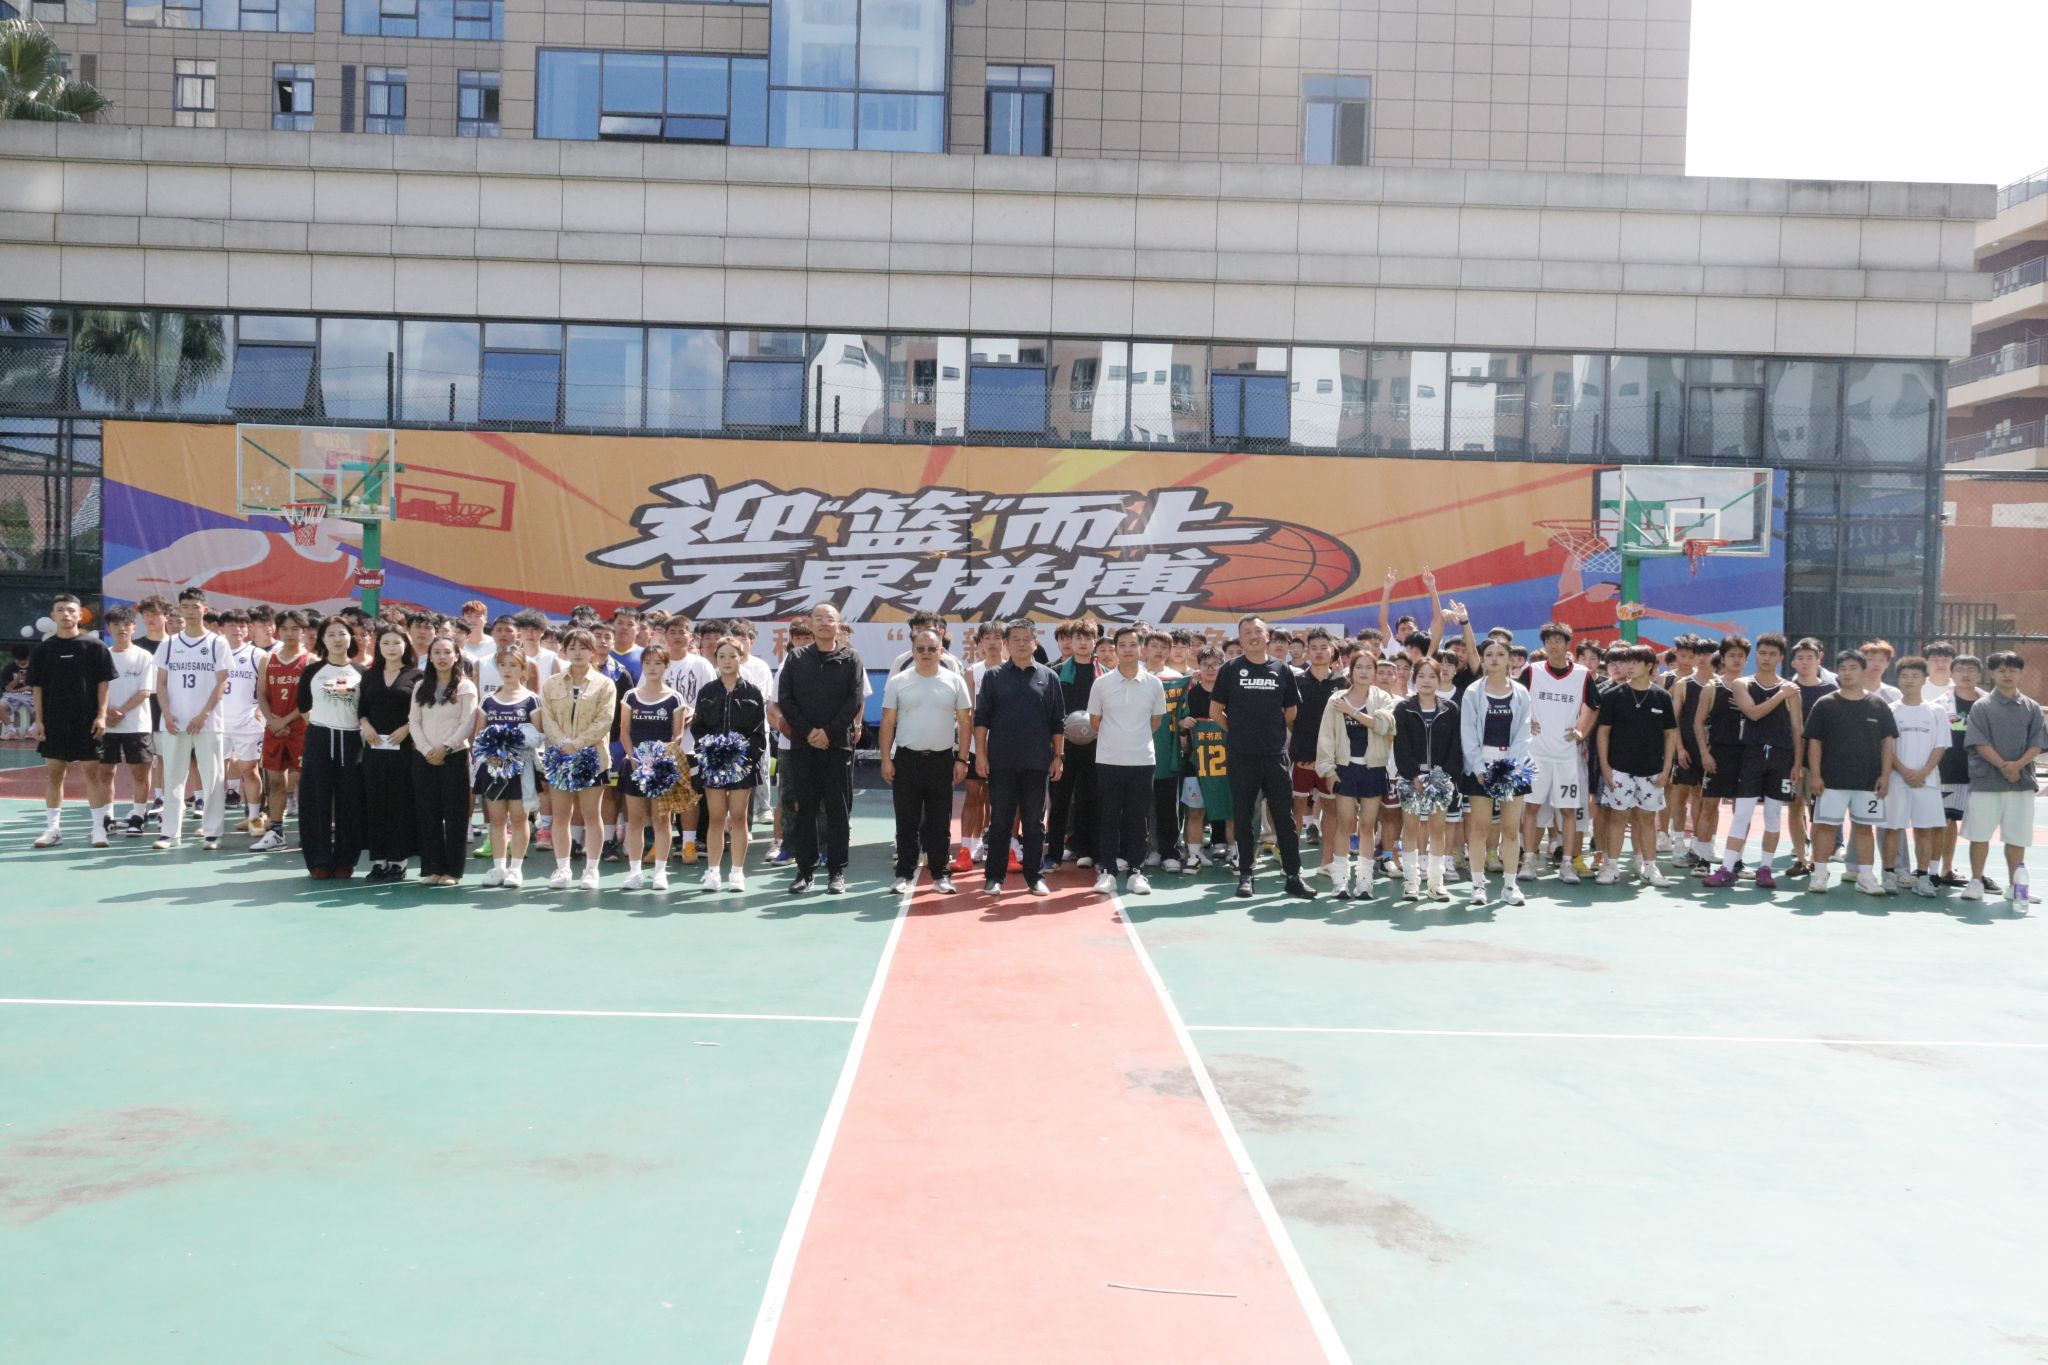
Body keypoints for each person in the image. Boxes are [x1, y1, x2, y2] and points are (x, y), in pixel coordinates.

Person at [1212, 614, 1313, 901]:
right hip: (1241, 756)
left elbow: (1291, 711)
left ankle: (1293, 876)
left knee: (1284, 818)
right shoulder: (1230, 669)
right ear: (1240, 639)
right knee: (1244, 818)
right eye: (1247, 632)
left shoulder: (1282, 669)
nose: (1253, 636)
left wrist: (1272, 732)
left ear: (1267, 636)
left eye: (1258, 631)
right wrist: (1238, 732)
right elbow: (1215, 711)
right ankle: (1246, 875)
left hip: (1275, 756)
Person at [974, 617, 1067, 897]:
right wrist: (981, 755)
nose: (1022, 644)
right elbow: (981, 720)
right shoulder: (993, 676)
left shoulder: (1049, 677)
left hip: (1037, 762)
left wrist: (1058, 756)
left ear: (1035, 643)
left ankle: (1035, 877)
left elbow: (1057, 722)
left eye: (1027, 639)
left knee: (1034, 824)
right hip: (1001, 761)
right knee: (1000, 822)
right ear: (1007, 644)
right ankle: (994, 877)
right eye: (1016, 639)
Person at [776, 602, 865, 895]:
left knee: (838, 810)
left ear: (838, 625)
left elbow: (853, 700)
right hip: (803, 747)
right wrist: (809, 732)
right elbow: (786, 700)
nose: (825, 623)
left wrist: (828, 732)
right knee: (805, 810)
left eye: (830, 619)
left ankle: (837, 871)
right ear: (811, 624)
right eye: (819, 618)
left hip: (837, 747)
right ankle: (805, 871)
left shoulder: (851, 658)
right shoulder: (796, 658)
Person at [1703, 633, 1803, 891]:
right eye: (1762, 653)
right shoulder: (1743, 684)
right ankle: (1727, 869)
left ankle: (1765, 869)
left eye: (1772, 654)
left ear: (1781, 658)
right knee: (1742, 815)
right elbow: (1753, 713)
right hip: (1751, 757)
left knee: (1773, 816)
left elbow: (1797, 728)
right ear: (1756, 655)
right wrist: (1780, 695)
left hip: (1781, 758)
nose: (1767, 658)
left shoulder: (1792, 691)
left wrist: (1797, 763)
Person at [880, 625, 974, 896]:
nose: (926, 653)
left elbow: (965, 722)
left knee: (939, 822)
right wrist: (885, 759)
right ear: (913, 651)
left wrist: (962, 759)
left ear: (941, 651)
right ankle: (904, 874)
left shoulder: (954, 680)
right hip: (907, 759)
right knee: (906, 821)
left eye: (932, 648)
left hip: (942, 760)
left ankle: (940, 874)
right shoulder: (898, 681)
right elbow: (887, 722)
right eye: (920, 649)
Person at [24, 592, 116, 848]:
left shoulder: (95, 647)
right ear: (52, 615)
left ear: (80, 615)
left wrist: (101, 715)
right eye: (61, 610)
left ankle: (98, 829)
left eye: (71, 610)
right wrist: (39, 720)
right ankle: (53, 830)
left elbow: (103, 684)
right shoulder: (43, 650)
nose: (66, 614)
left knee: (92, 773)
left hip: (87, 722)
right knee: (54, 775)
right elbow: (37, 687)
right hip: (54, 722)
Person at [1803, 649, 1897, 896]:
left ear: (1863, 671)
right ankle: (1819, 874)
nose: (1847, 673)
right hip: (1831, 781)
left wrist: (1885, 775)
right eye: (1843, 668)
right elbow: (1814, 741)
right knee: (1825, 827)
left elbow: (1887, 742)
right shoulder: (1825, 704)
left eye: (1853, 668)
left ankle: (1865, 877)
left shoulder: (1878, 704)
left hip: (1868, 782)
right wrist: (1816, 775)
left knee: (1864, 829)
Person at [1087, 625, 1169, 897]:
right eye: (1121, 645)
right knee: (1108, 817)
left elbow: (1155, 722)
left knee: (1138, 819)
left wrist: (1134, 739)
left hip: (1142, 760)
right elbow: (1095, 722)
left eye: (1133, 645)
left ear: (1141, 649)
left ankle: (1136, 872)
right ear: (1115, 649)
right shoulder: (1101, 684)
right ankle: (1108, 872)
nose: (1127, 650)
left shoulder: (1154, 684)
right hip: (1108, 760)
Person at [1961, 650, 2044, 909]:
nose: (2007, 675)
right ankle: (1975, 882)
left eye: (2013, 670)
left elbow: (2037, 743)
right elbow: (1979, 742)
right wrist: (2004, 766)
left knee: (2017, 837)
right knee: (1979, 834)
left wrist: (2017, 766)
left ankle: (2015, 887)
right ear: (1993, 674)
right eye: (2001, 670)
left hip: (2021, 783)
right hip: (1986, 782)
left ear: (2020, 673)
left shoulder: (2031, 707)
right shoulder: (1982, 706)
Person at [1518, 622, 1597, 885]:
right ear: (1544, 645)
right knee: (1531, 807)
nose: (1553, 646)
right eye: (1549, 641)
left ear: (1567, 644)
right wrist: (1526, 722)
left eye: (1558, 641)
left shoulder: (1582, 675)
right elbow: (1517, 701)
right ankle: (1529, 860)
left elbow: (1593, 706)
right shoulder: (1532, 671)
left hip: (1566, 756)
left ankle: (1567, 864)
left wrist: (1581, 731)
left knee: (1568, 811)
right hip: (1536, 755)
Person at [152, 587, 231, 851]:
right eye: (185, 607)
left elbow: (222, 682)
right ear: (179, 610)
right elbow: (161, 683)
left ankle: (213, 833)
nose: (190, 612)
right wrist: (166, 713)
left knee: (213, 778)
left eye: (195, 607)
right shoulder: (169, 644)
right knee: (173, 777)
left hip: (208, 722)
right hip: (174, 722)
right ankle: (169, 832)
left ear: (204, 609)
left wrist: (204, 713)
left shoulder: (217, 642)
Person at [1315, 650, 1398, 900]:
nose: (1364, 672)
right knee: (1345, 824)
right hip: (1346, 770)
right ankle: (1340, 882)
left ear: (1375, 672)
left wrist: (1351, 711)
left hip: (1374, 769)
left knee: (1367, 826)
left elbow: (1384, 726)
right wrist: (1328, 770)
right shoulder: (1336, 700)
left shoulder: (1383, 698)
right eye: (1359, 667)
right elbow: (1326, 736)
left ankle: (1364, 882)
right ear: (1351, 672)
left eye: (1369, 667)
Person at [1593, 644, 1677, 888]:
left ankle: (1650, 868)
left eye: (1634, 662)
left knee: (1647, 819)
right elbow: (1603, 732)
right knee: (1617, 817)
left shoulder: (1662, 696)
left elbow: (1671, 734)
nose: (1628, 666)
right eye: (1625, 661)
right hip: (1619, 769)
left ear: (1649, 666)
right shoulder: (1613, 696)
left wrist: (1666, 769)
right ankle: (1611, 866)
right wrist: (1606, 767)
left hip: (1652, 770)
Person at [541, 628, 618, 891]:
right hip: (559, 757)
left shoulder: (605, 684)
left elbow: (605, 720)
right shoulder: (551, 683)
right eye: (572, 647)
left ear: (592, 652)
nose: (577, 652)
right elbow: (547, 718)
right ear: (564, 651)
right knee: (561, 814)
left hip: (593, 758)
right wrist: (563, 743)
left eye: (583, 647)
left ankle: (591, 870)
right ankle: (562, 868)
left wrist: (578, 743)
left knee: (591, 814)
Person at [1457, 637, 1533, 905]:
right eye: (1489, 654)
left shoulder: (1521, 692)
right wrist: (1479, 767)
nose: (1494, 659)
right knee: (1480, 828)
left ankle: (1510, 886)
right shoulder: (1473, 692)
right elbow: (1467, 732)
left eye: (1500, 654)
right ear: (1483, 658)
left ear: (1509, 658)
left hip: (1512, 768)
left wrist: (1511, 767)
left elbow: (1524, 733)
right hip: (1480, 768)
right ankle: (1478, 886)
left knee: (1511, 830)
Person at [690, 638, 769, 893]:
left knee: (738, 817)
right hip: (713, 765)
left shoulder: (752, 693)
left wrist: (743, 758)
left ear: (741, 658)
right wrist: (710, 751)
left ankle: (737, 872)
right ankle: (713, 872)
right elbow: (698, 728)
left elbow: (759, 734)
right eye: (721, 656)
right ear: (716, 659)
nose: (726, 661)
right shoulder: (707, 691)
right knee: (715, 817)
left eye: (732, 656)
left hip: (741, 767)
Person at [296, 616, 367, 879]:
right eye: (331, 635)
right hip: (319, 739)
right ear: (323, 640)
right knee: (316, 800)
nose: (337, 639)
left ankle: (346, 860)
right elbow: (303, 705)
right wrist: (323, 725)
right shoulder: (313, 671)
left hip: (352, 741)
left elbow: (366, 709)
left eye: (342, 634)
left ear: (351, 638)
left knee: (351, 801)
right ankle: (319, 861)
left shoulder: (362, 673)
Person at [406, 637, 478, 887]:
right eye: (436, 652)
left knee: (455, 815)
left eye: (447, 652)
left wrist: (446, 747)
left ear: (457, 656)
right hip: (424, 756)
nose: (442, 657)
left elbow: (467, 722)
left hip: (454, 756)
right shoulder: (420, 686)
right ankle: (433, 868)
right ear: (430, 656)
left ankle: (453, 871)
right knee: (428, 813)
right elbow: (413, 721)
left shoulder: (466, 687)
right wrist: (427, 749)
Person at [615, 642, 687, 892]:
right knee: (635, 820)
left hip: (661, 769)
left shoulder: (675, 698)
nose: (652, 667)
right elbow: (624, 731)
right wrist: (633, 757)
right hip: (634, 766)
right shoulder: (630, 696)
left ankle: (659, 872)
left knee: (661, 819)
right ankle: (634, 872)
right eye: (647, 663)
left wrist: (660, 757)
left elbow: (677, 735)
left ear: (666, 666)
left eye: (658, 663)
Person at [1392, 658, 1462, 901]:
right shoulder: (1403, 709)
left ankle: (1436, 883)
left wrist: (1444, 776)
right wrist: (1413, 774)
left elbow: (1456, 745)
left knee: (1437, 830)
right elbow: (1401, 746)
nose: (1426, 681)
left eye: (1432, 676)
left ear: (1439, 679)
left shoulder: (1450, 709)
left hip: (1441, 779)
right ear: (1414, 679)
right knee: (1411, 829)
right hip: (1410, 779)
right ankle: (1411, 882)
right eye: (1421, 676)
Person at [1881, 656, 1949, 898]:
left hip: (1926, 782)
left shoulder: (1936, 710)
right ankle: (1889, 875)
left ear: (1924, 680)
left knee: (1924, 830)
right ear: (1898, 680)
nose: (1909, 680)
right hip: (1896, 781)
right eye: (1904, 676)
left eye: (1915, 676)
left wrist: (1923, 772)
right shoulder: (1890, 710)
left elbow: (1940, 745)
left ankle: (1923, 877)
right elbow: (1886, 746)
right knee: (1893, 828)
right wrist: (1902, 769)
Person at [475, 643, 541, 889]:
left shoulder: (532, 700)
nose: (507, 669)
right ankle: (499, 867)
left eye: (513, 665)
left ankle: (516, 869)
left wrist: (517, 745)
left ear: (523, 669)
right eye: (502, 665)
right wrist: (489, 755)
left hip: (520, 770)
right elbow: (479, 736)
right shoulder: (487, 700)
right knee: (496, 820)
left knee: (520, 818)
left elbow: (539, 735)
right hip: (493, 769)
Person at [357, 626, 419, 882]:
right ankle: (379, 861)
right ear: (378, 647)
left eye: (396, 642)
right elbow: (361, 708)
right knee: (375, 802)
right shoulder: (369, 675)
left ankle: (398, 861)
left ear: (406, 645)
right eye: (386, 643)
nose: (391, 648)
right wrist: (365, 725)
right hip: (374, 749)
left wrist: (407, 729)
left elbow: (421, 711)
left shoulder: (417, 675)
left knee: (400, 802)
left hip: (403, 749)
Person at [97, 606, 156, 842]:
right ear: (108, 628)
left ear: (133, 627)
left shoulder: (144, 656)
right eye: (116, 624)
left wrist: (121, 711)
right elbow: (96, 688)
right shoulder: (102, 655)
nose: (121, 629)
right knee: (105, 772)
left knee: (140, 772)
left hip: (137, 724)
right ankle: (106, 818)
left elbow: (145, 691)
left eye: (126, 624)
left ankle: (138, 816)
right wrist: (106, 713)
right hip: (106, 725)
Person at [253, 610, 310, 853]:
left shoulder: (311, 660)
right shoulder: (268, 659)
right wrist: (271, 720)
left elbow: (309, 699)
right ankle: (276, 832)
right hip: (274, 729)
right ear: (278, 631)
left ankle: (310, 831)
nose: (290, 633)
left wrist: (285, 720)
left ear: (303, 631)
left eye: (295, 629)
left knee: (306, 783)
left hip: (301, 729)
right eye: (285, 628)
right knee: (275, 781)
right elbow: (261, 693)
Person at [1784, 636, 1837, 877]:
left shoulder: (1831, 691)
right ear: (1793, 662)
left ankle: (1817, 859)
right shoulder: (1786, 689)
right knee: (1795, 807)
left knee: (1819, 814)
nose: (1805, 662)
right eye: (1800, 658)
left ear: (1819, 660)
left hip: (1823, 762)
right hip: (1792, 760)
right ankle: (1800, 858)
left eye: (1809, 657)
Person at [1181, 646, 1233, 868]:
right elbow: (1179, 724)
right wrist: (1183, 724)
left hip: (1229, 764)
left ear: (1223, 666)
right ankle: (1194, 854)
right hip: (1197, 764)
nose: (1211, 669)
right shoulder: (1190, 694)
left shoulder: (1231, 692)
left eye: (1215, 664)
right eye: (1205, 664)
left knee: (1232, 810)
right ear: (1198, 667)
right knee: (1195, 811)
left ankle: (1235, 852)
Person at [1934, 653, 1982, 888]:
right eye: (1960, 669)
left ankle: (1978, 875)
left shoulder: (1988, 703)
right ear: (1952, 674)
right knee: (1946, 820)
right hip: (1949, 770)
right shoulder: (1940, 703)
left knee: (1980, 824)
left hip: (1982, 772)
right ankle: (1943, 869)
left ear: (1980, 674)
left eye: (1971, 670)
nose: (1966, 674)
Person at [1144, 630, 1190, 872]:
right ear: (1145, 649)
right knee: (1141, 805)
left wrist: (1183, 727)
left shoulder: (1177, 679)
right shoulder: (1135, 676)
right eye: (1154, 646)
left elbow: (1184, 713)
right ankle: (1148, 849)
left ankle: (1169, 851)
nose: (1159, 651)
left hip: (1167, 750)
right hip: (1137, 749)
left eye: (1164, 647)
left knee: (1167, 804)